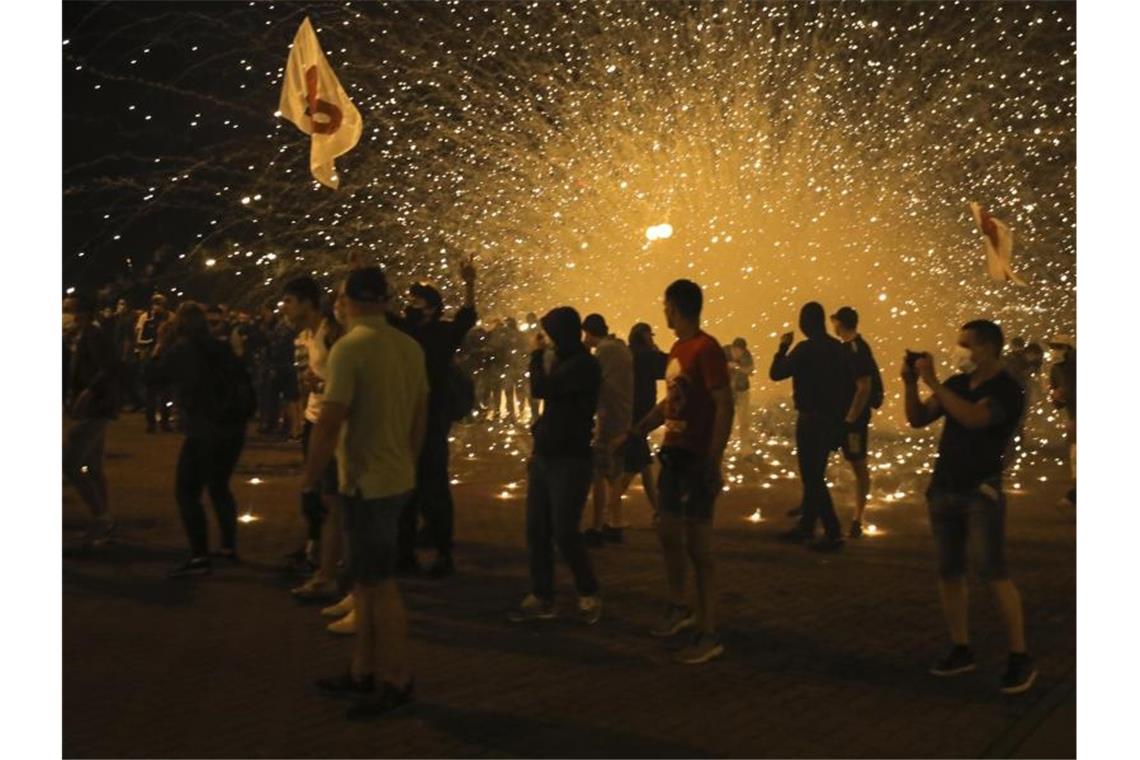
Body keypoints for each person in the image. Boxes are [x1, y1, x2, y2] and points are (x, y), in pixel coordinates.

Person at [304, 267, 428, 720]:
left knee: (379, 586)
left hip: (364, 481)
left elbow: (330, 420)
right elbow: (421, 413)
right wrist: (407, 462)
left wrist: (310, 477)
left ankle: (396, 678)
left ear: (351, 299)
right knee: (365, 583)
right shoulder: (408, 346)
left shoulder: (350, 348)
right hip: (394, 477)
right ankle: (362, 669)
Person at [904, 319, 1036, 695]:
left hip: (981, 493)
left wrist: (933, 382)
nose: (958, 350)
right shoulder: (957, 385)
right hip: (944, 489)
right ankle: (961, 647)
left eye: (967, 344)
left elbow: (975, 418)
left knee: (993, 572)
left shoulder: (1007, 390)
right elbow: (917, 419)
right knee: (949, 572)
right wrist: (910, 383)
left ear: (990, 349)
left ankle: (1019, 656)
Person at [613, 279, 734, 664]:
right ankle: (680, 607)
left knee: (699, 546)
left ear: (676, 307)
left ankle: (709, 631)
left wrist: (713, 460)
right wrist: (636, 430)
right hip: (673, 455)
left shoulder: (707, 348)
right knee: (668, 533)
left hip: (696, 459)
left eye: (666, 305)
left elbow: (724, 404)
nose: (662, 311)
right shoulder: (679, 349)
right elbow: (672, 401)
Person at [508, 307, 603, 625]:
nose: (545, 339)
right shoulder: (566, 360)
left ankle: (588, 592)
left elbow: (542, 389)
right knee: (537, 529)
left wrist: (536, 357)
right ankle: (542, 595)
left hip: (571, 459)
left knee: (564, 530)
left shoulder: (584, 364)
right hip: (547, 456)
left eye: (549, 333)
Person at [147, 302, 253, 578]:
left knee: (187, 492)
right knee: (219, 486)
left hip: (203, 430)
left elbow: (152, 376)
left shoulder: (182, 350)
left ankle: (199, 556)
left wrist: (160, 344)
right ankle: (228, 546)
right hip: (233, 428)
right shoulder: (220, 346)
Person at [393, 257, 478, 579]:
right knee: (405, 485)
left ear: (430, 307)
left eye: (415, 300)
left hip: (433, 416)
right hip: (404, 415)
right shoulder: (404, 331)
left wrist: (469, 284)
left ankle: (443, 552)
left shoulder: (443, 334)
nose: (409, 305)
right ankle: (404, 551)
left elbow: (467, 317)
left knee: (433, 486)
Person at [769, 302, 853, 552]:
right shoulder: (838, 349)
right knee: (815, 473)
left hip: (810, 420)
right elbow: (847, 387)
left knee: (812, 476)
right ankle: (807, 526)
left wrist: (782, 348)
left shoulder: (804, 349)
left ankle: (833, 532)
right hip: (831, 420)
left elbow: (776, 373)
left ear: (804, 323)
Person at [281, 276, 345, 600]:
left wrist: (323, 386)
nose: (284, 307)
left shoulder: (331, 332)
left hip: (329, 423)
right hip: (312, 418)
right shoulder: (303, 335)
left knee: (328, 495)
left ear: (307, 302)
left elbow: (344, 379)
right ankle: (314, 550)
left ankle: (329, 571)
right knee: (316, 492)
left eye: (289, 301)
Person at [63, 294, 120, 546]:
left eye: (72, 310)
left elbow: (107, 368)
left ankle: (100, 517)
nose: (69, 315)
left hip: (96, 408)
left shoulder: (93, 335)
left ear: (84, 313)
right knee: (94, 466)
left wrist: (87, 393)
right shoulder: (86, 334)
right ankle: (105, 518)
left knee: (70, 463)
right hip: (99, 407)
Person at [581, 314, 634, 545]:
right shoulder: (621, 348)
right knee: (616, 474)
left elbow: (594, 380)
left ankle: (597, 527)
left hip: (608, 417)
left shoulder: (604, 351)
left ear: (590, 332)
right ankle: (616, 522)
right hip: (624, 415)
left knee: (599, 473)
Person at [829, 307, 881, 538]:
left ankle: (857, 518)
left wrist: (850, 419)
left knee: (859, 465)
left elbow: (864, 387)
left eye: (834, 322)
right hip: (843, 418)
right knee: (855, 464)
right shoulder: (848, 348)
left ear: (840, 323)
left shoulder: (855, 349)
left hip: (852, 421)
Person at [611, 323, 667, 525]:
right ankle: (610, 517)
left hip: (629, 415)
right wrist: (656, 349)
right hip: (640, 420)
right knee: (630, 471)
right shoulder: (647, 356)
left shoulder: (628, 354)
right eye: (650, 335)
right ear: (644, 336)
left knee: (643, 468)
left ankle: (659, 512)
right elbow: (669, 367)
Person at [136, 293, 172, 433]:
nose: (157, 307)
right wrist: (153, 343)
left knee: (166, 394)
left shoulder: (172, 318)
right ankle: (151, 423)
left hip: (166, 360)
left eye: (160, 304)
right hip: (150, 360)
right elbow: (139, 340)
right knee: (151, 393)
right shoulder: (146, 319)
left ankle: (165, 421)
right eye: (155, 303)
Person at [1048, 335, 1076, 511]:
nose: (1055, 350)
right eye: (1053, 346)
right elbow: (1058, 402)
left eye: (1059, 346)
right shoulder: (1055, 370)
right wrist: (1057, 396)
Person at [725, 338, 755, 451]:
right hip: (726, 390)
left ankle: (745, 448)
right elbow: (713, 365)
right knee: (725, 419)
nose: (738, 354)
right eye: (736, 351)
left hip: (742, 390)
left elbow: (751, 370)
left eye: (740, 352)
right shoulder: (724, 351)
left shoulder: (746, 355)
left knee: (744, 420)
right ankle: (723, 446)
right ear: (732, 348)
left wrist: (738, 368)